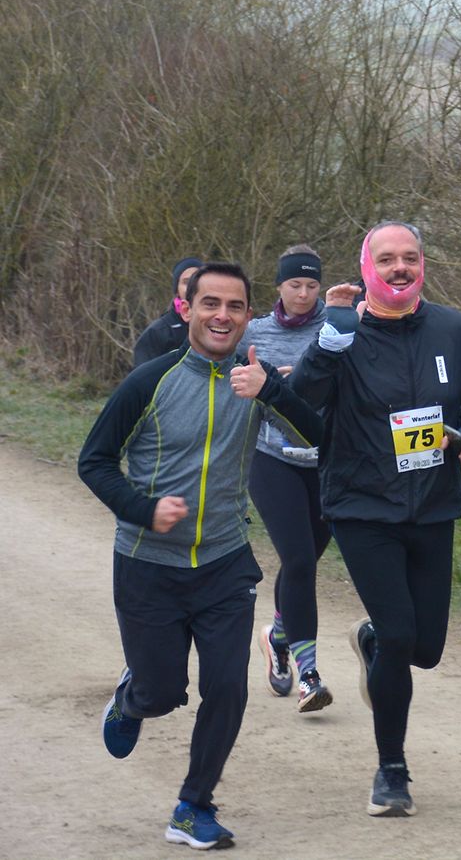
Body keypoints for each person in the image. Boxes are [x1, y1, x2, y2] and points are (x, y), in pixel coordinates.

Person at [79, 261, 322, 850]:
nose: (222, 315)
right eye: (210, 303)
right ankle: (134, 696)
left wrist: (273, 390)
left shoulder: (253, 380)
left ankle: (194, 805)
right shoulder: (151, 381)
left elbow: (319, 436)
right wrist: (143, 509)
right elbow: (94, 461)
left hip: (224, 562)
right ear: (187, 309)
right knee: (163, 693)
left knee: (228, 688)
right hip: (147, 563)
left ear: (247, 317)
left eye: (235, 306)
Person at [289, 220, 461, 817]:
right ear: (367, 269)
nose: (399, 268)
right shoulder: (344, 332)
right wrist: (331, 336)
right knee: (402, 634)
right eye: (386, 259)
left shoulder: (452, 329)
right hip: (363, 506)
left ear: (422, 265)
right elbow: (302, 400)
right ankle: (392, 770)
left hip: (433, 505)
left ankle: (374, 640)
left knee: (424, 648)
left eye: (410, 257)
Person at [242, 245, 333, 713]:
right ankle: (309, 675)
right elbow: (229, 386)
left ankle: (277, 637)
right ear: (278, 286)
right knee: (298, 560)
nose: (303, 294)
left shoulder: (336, 329)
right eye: (294, 284)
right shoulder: (255, 332)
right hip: (271, 458)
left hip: (326, 460)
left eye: (311, 285)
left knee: (305, 561)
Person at [132, 256, 204, 368]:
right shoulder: (157, 332)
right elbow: (142, 375)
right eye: (186, 282)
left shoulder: (219, 325)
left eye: (197, 281)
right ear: (177, 290)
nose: (192, 286)